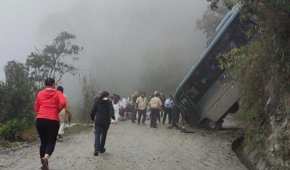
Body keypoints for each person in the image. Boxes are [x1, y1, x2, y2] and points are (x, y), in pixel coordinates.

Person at [34, 78, 66, 170]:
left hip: (40, 120)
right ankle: (46, 157)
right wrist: (57, 109)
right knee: (51, 141)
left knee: (43, 142)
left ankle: (44, 164)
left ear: (45, 84)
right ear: (53, 84)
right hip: (52, 120)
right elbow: (63, 103)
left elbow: (36, 107)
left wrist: (40, 113)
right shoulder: (57, 93)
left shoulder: (40, 93)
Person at [90, 91, 115, 156]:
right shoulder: (109, 102)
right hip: (106, 122)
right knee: (104, 135)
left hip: (98, 121)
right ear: (107, 96)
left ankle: (96, 149)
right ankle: (101, 148)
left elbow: (93, 111)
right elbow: (111, 110)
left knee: (97, 135)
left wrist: (92, 118)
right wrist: (112, 116)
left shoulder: (97, 101)